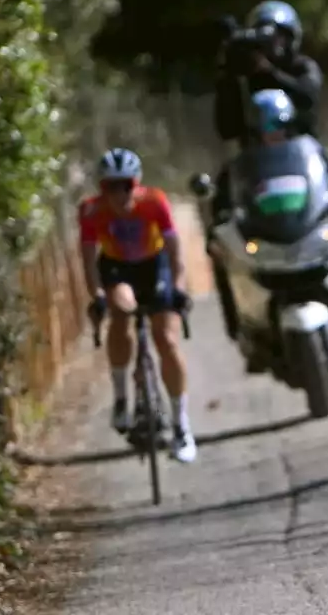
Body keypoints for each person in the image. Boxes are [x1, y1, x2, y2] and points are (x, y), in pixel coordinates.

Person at [207, 0, 328, 314]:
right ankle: (240, 315)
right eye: (264, 40)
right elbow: (226, 128)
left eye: (278, 38)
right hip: (256, 164)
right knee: (218, 231)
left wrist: (269, 71)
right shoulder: (242, 77)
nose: (271, 46)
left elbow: (307, 97)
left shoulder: (303, 68)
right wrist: (227, 73)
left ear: (292, 39)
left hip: (306, 158)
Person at [80, 148, 197, 464]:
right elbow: (89, 261)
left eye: (126, 186)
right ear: (101, 189)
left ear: (137, 184)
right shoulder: (91, 211)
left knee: (167, 340)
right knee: (121, 309)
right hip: (117, 267)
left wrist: (179, 290)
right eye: (110, 188)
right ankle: (121, 396)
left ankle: (181, 426)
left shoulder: (155, 202)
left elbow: (176, 254)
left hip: (153, 265)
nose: (119, 195)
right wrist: (97, 297)